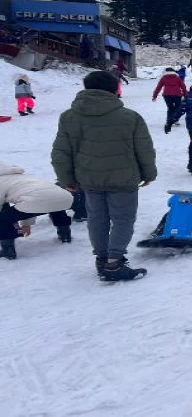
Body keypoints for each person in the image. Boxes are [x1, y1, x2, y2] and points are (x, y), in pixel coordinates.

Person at [51, 71, 157, 281]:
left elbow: (61, 151)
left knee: (96, 218)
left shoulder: (69, 117)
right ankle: (115, 263)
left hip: (89, 179)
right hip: (124, 178)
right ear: (114, 89)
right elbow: (144, 149)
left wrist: (66, 179)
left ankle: (102, 260)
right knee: (122, 219)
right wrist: (149, 173)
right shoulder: (130, 117)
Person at [0, 162, 74, 260]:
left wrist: (25, 224)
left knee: (3, 218)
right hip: (65, 198)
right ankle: (65, 235)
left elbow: (32, 204)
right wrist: (26, 224)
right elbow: (32, 200)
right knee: (53, 205)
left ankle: (8, 250)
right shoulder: (22, 176)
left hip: (36, 200)